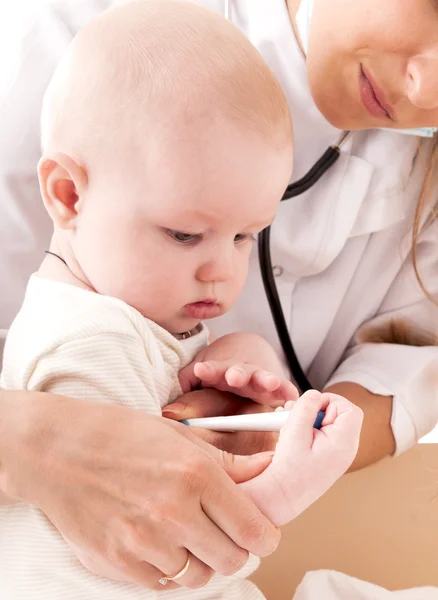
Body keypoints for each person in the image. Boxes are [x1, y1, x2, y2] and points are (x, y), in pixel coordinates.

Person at [0, 0, 436, 591]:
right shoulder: (93, 339)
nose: (427, 85)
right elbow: (153, 537)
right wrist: (283, 478)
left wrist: (257, 400)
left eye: (244, 236)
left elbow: (405, 377)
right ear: (69, 197)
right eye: (183, 234)